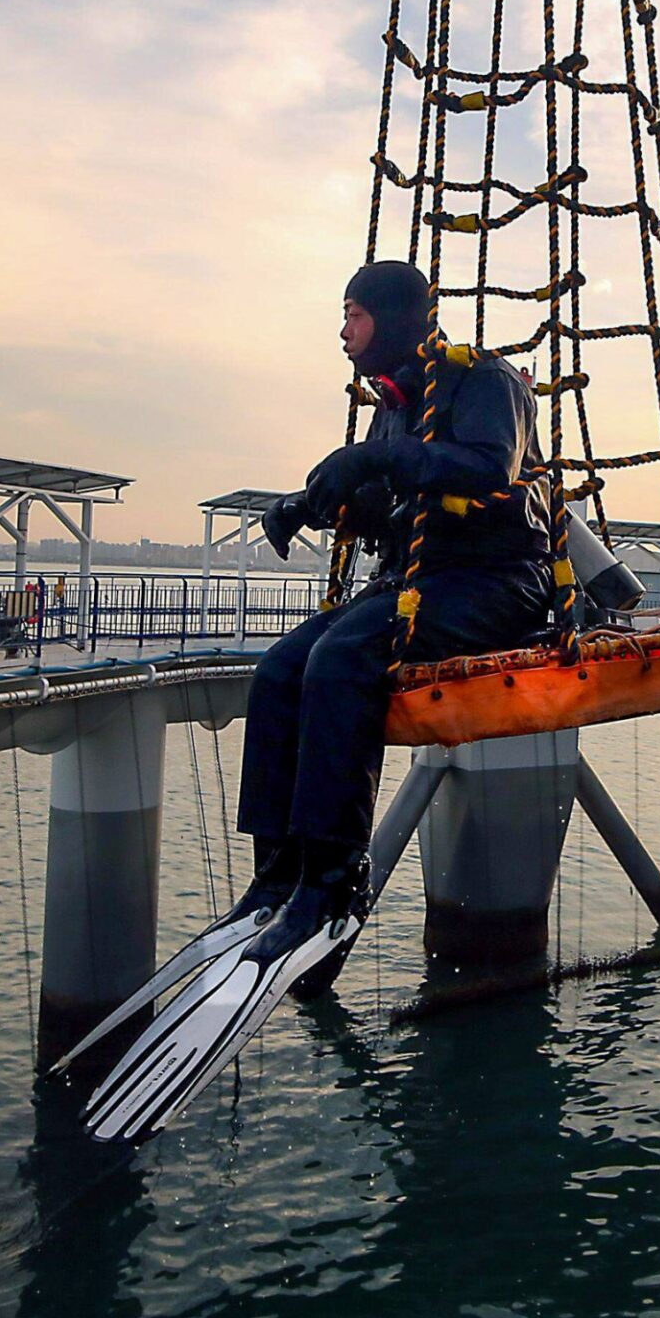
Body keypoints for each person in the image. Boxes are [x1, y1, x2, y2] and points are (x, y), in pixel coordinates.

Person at [239, 259, 558, 930]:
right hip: (415, 583)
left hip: (496, 582)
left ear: (393, 319)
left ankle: (333, 879)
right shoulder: (393, 409)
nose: (344, 332)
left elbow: (486, 467)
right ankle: (277, 875)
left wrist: (373, 459)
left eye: (354, 315)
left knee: (342, 661)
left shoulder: (485, 381)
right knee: (277, 674)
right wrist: (310, 507)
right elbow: (388, 499)